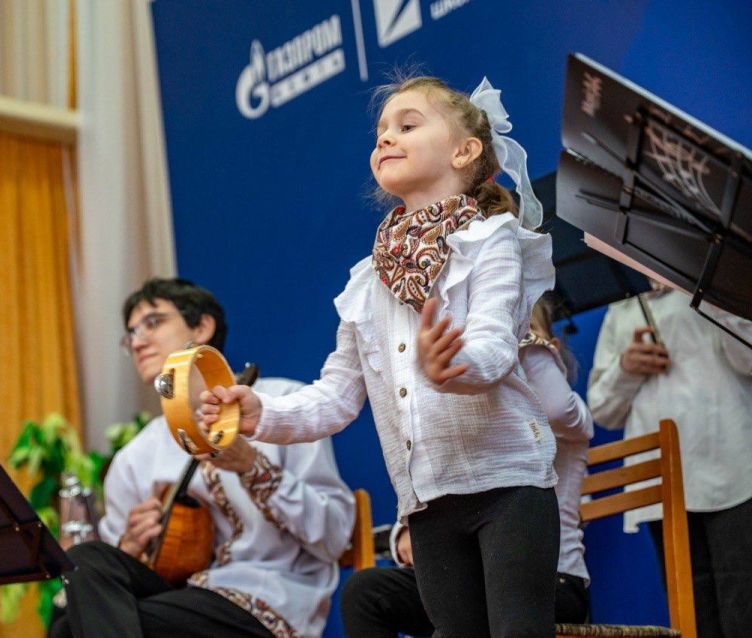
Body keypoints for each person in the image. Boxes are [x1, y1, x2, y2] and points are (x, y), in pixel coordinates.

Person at [199, 75, 559, 636]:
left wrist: (454, 365)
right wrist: (260, 415)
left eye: (408, 125)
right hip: (427, 504)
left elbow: (492, 346)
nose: (386, 138)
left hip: (508, 485)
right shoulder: (367, 282)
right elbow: (336, 396)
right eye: (381, 131)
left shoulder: (492, 240)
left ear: (464, 151)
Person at [50, 278, 355, 638]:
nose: (137, 341)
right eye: (130, 334)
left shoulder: (282, 406)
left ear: (202, 327)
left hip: (263, 602)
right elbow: (112, 580)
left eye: (153, 322)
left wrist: (252, 467)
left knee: (69, 630)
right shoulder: (133, 458)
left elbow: (335, 535)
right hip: (178, 597)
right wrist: (130, 546)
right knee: (88, 560)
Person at [339, 297, 593, 636]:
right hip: (472, 573)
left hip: (552, 578)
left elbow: (558, 408)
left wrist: (528, 352)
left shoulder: (558, 404)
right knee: (366, 593)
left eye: (521, 329)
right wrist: (407, 531)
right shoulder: (471, 402)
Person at [587, 285, 752, 638]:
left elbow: (748, 359)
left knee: (742, 594)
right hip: (662, 481)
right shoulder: (621, 308)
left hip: (732, 465)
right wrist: (626, 367)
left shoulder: (714, 290)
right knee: (690, 605)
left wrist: (717, 300)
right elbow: (603, 410)